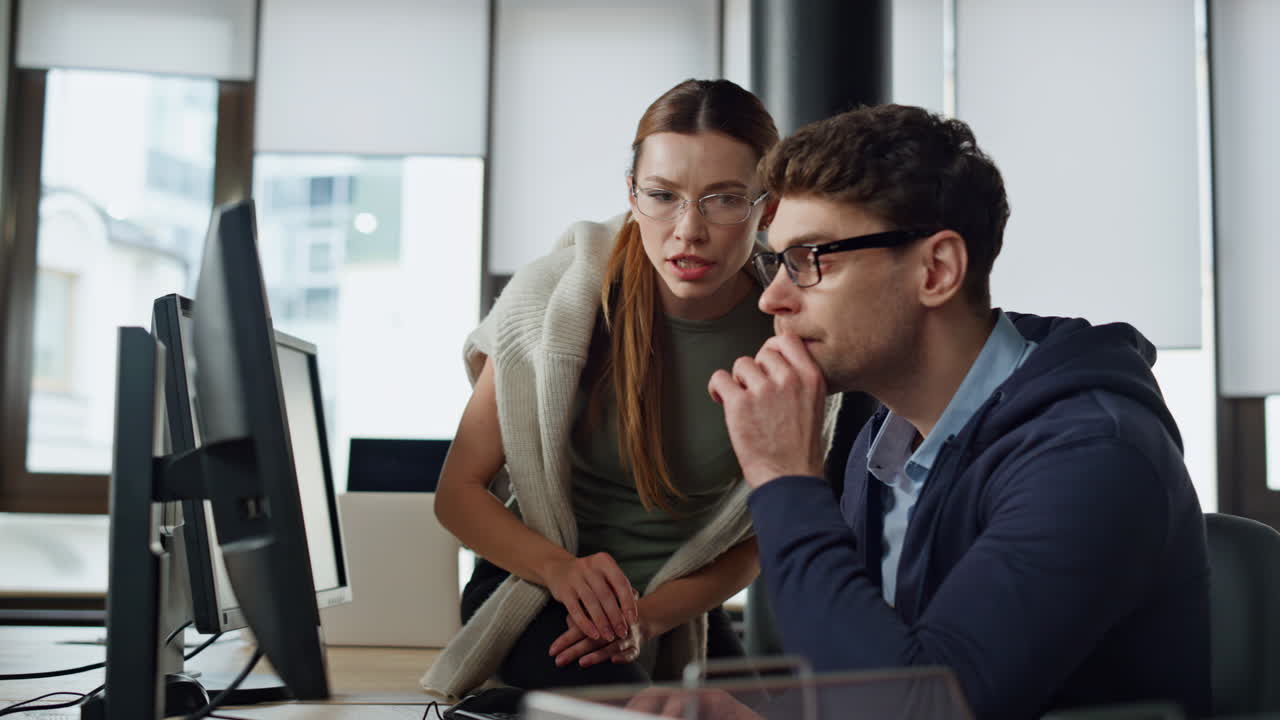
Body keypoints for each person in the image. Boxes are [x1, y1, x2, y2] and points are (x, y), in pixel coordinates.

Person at [707, 104, 1211, 719]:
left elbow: (919, 712)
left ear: (937, 270)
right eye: (777, 261)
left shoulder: (1094, 454)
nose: (773, 297)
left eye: (813, 258)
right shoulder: (882, 447)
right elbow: (866, 673)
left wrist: (785, 481)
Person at [421, 79, 838, 701]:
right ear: (632, 196)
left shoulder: (791, 332)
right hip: (538, 591)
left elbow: (758, 535)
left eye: (723, 199)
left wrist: (652, 616)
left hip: (676, 606)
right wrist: (562, 571)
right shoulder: (553, 302)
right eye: (663, 196)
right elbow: (457, 494)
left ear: (767, 208)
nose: (687, 230)